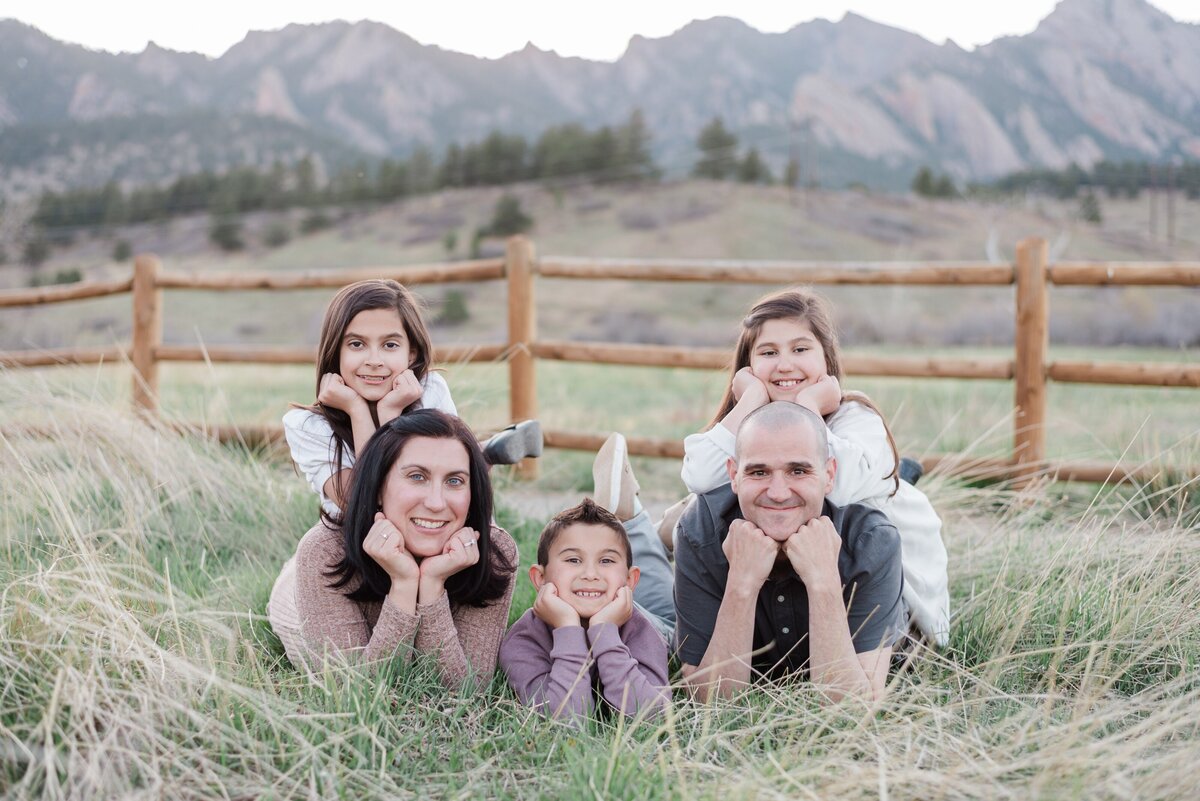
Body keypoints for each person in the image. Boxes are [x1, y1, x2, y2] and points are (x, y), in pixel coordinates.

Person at [678, 287, 949, 646]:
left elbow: (839, 483)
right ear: (749, 366)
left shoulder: (855, 416)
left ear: (826, 358)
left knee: (686, 516)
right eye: (768, 352)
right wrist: (752, 401)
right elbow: (699, 475)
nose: (785, 364)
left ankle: (903, 476)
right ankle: (645, 525)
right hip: (791, 590)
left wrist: (806, 406)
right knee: (690, 514)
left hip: (889, 602)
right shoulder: (752, 422)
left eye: (800, 349)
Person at [268, 409, 518, 687]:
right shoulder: (324, 552)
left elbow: (466, 690)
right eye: (416, 477)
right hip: (295, 592)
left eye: (454, 481)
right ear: (377, 487)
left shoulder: (495, 552)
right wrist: (403, 584)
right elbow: (356, 693)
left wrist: (432, 586)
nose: (436, 502)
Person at [675, 402, 906, 703]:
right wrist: (741, 584)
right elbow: (709, 703)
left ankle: (908, 473)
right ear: (733, 475)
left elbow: (851, 709)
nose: (778, 492)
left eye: (798, 471)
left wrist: (823, 581)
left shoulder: (872, 540)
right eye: (758, 472)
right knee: (648, 613)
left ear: (829, 474)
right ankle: (637, 522)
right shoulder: (699, 532)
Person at [283, 278, 541, 518]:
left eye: (390, 345)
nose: (374, 361)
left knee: (474, 512)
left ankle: (477, 456)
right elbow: (364, 506)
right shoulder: (306, 426)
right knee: (316, 546)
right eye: (356, 344)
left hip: (430, 523)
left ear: (411, 354)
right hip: (356, 544)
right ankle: (481, 453)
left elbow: (446, 482)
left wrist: (391, 414)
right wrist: (358, 411)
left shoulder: (429, 391)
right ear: (335, 351)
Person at [499, 499, 670, 722]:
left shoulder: (641, 629)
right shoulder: (523, 641)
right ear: (540, 578)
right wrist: (568, 628)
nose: (590, 574)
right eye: (573, 559)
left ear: (629, 580)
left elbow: (652, 716)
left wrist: (604, 633)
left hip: (664, 624)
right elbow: (567, 721)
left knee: (669, 614)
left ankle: (661, 525)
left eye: (606, 560)